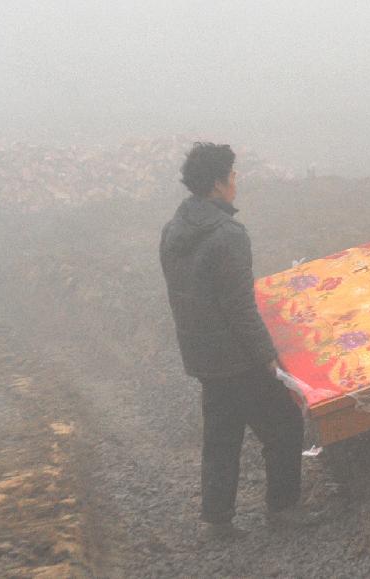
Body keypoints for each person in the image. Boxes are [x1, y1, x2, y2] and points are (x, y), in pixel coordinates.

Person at [159, 142, 309, 539]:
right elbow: (241, 308)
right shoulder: (228, 236)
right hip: (236, 357)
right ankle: (283, 508)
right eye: (232, 174)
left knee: (222, 435)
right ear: (217, 184)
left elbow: (183, 294)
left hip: (203, 354)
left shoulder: (172, 230)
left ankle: (216, 519)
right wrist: (268, 357)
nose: (236, 180)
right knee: (284, 424)